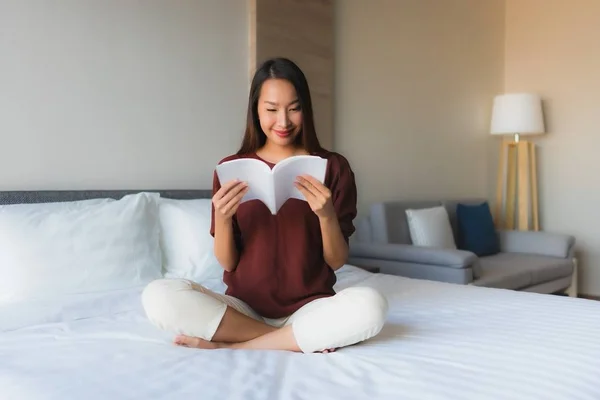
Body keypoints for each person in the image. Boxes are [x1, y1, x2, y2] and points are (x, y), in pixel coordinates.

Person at [142, 57, 388, 353]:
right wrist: (222, 218)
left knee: (372, 305)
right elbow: (228, 263)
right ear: (256, 111)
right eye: (271, 110)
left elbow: (336, 261)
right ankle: (296, 339)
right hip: (242, 310)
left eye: (294, 109)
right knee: (158, 295)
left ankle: (233, 346)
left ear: (305, 109)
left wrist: (326, 215)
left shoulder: (333, 167)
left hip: (310, 307)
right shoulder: (230, 168)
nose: (283, 122)